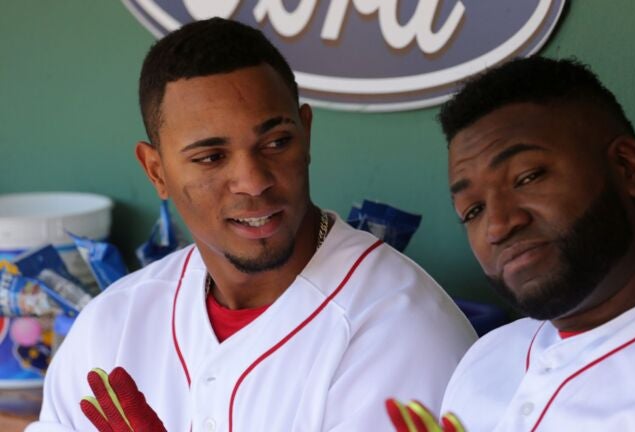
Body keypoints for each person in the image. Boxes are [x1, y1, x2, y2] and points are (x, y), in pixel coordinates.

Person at [28, 18, 476, 432]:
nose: (254, 181)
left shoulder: (402, 329)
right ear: (156, 171)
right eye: (211, 158)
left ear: (306, 135)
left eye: (276, 142)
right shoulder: (114, 325)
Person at [389, 56, 635, 431]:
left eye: (527, 177)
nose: (498, 226)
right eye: (472, 210)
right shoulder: (487, 359)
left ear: (627, 166)